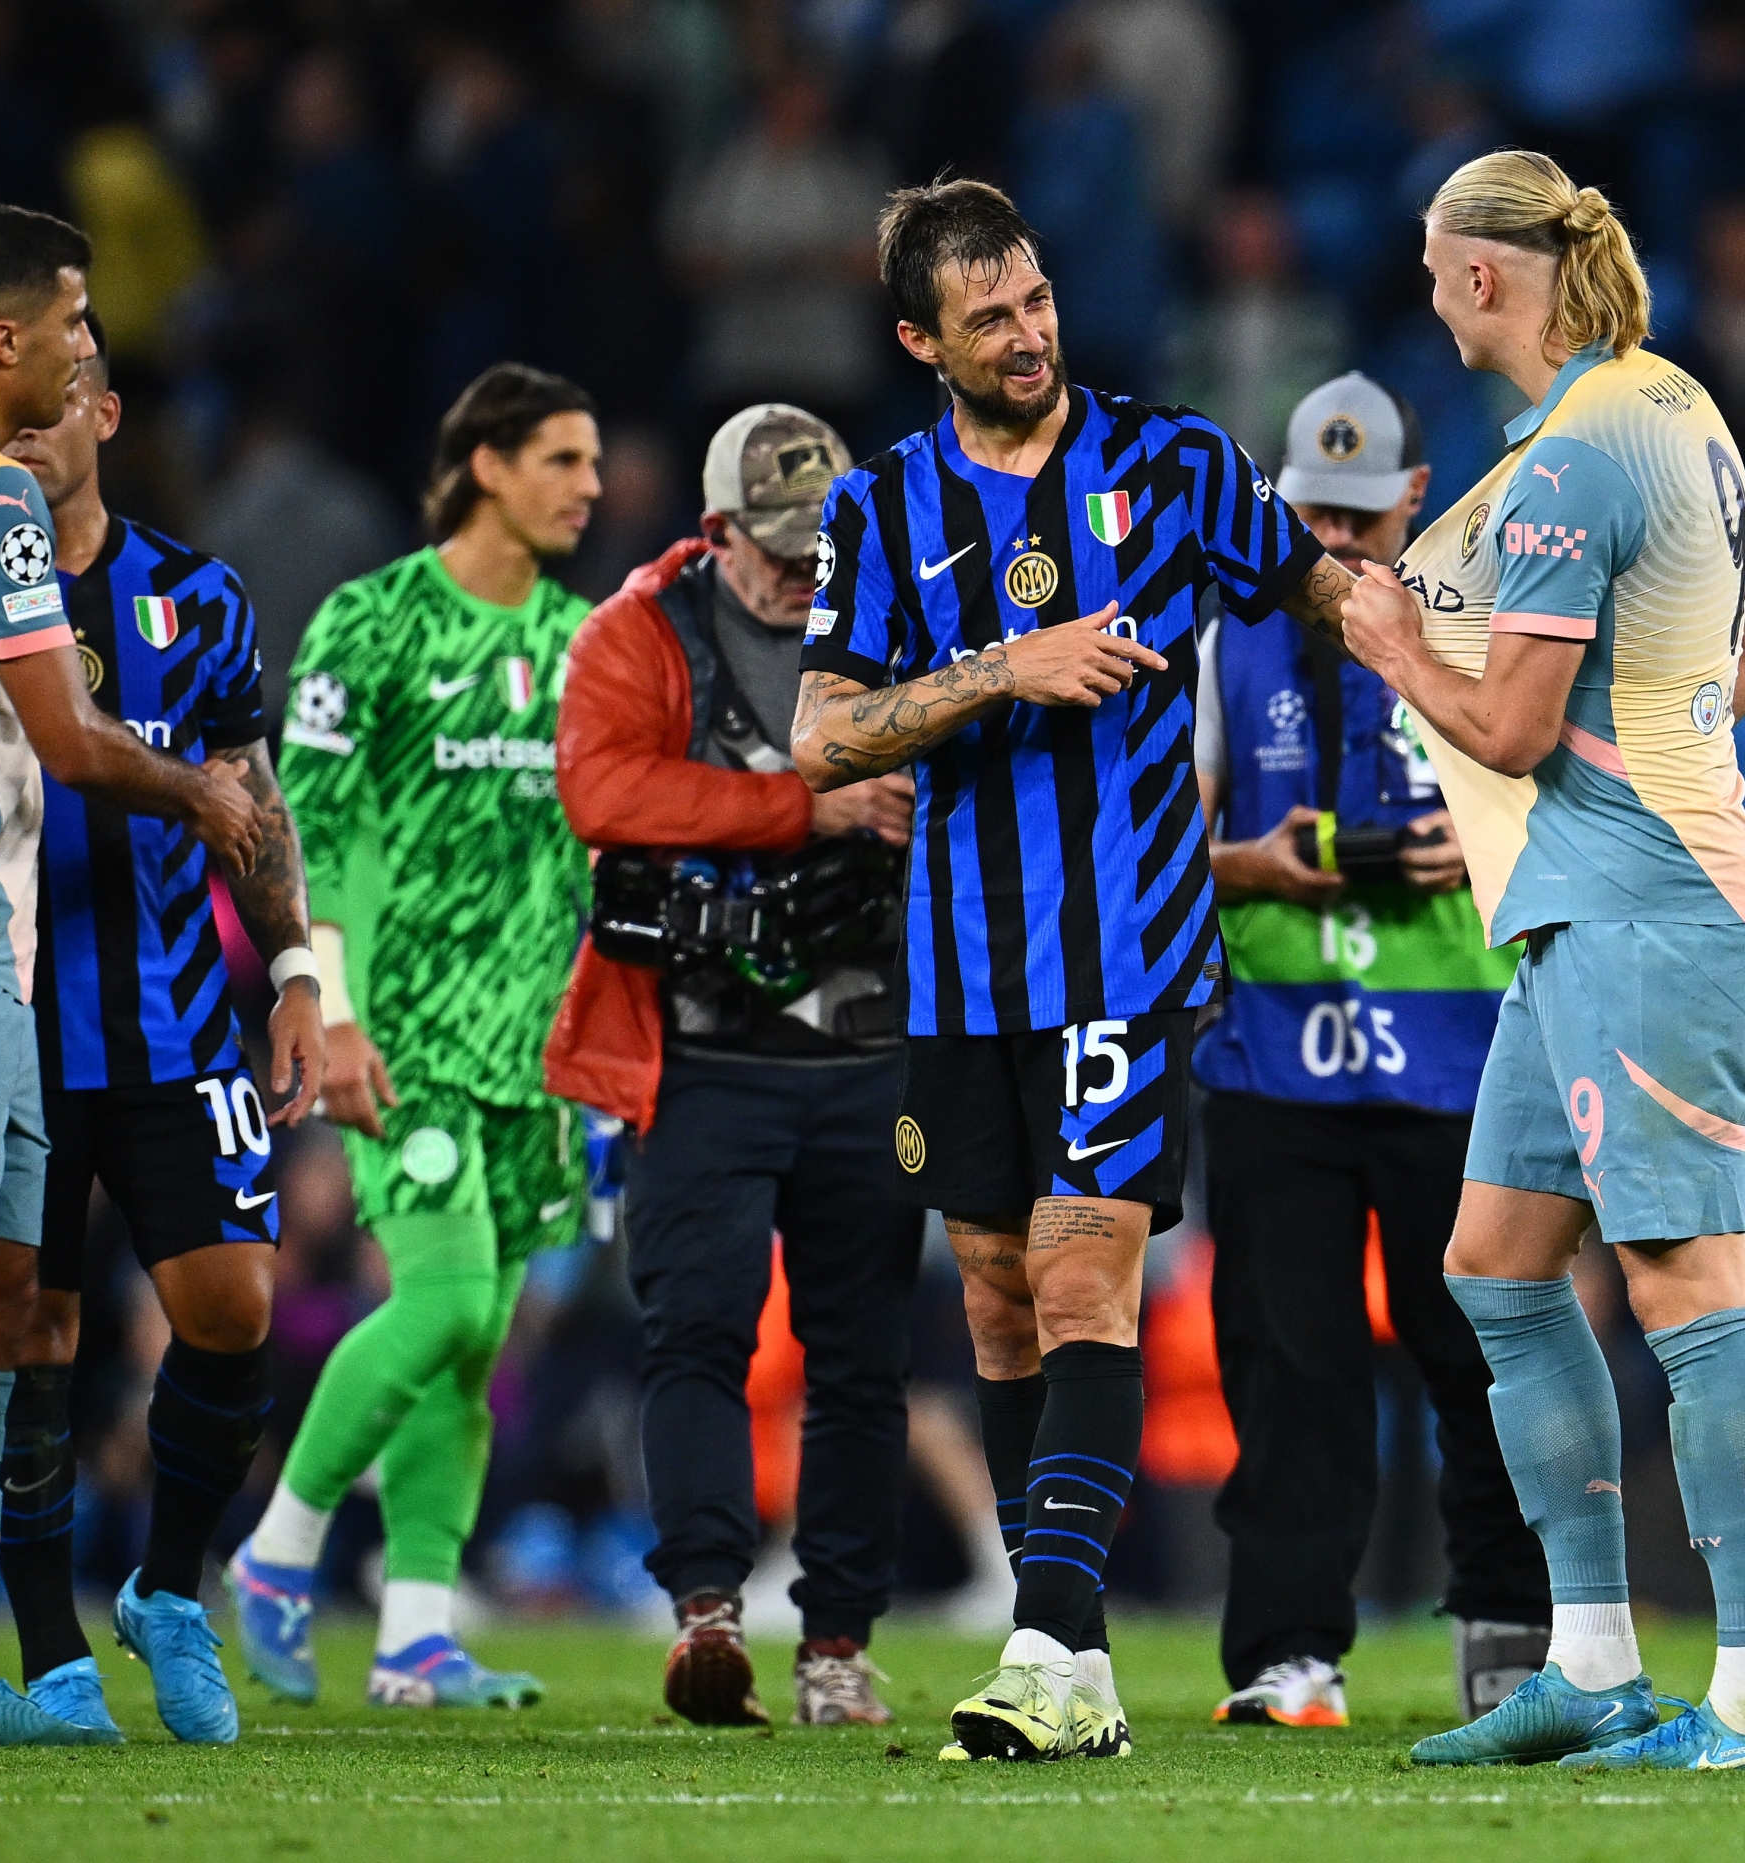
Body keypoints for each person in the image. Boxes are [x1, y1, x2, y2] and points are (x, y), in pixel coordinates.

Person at [790, 176, 1363, 1763]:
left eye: (1036, 300)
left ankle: (1041, 1641)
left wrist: (1456, 679)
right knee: (992, 1301)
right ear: (921, 339)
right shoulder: (878, 507)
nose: (1029, 333)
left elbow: (1313, 583)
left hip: (1130, 950)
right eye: (989, 317)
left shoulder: (1171, 463)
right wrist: (998, 673)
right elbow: (821, 738)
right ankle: (1085, 1666)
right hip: (962, 972)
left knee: (1080, 1263)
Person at [1338, 150, 1745, 1773]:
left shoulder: (1559, 473)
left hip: (1643, 911)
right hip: (1607, 900)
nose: (1423, 289)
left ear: (1482, 276)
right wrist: (1653, 762)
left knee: (1684, 1278)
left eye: (1429, 263)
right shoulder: (1673, 408)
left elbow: (1513, 728)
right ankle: (1594, 1663)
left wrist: (1398, 644)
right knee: (1493, 1266)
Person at [0, 316, 325, 1747]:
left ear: (106, 414)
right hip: (12, 1015)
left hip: (177, 1021)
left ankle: (168, 1588)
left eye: (64, 397)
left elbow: (251, 787)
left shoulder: (196, 592)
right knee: (24, 1326)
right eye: (18, 400)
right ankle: (50, 1654)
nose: (36, 421)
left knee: (234, 1307)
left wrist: (296, 966)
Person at [227, 363, 602, 1710]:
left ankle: (417, 1635)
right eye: (563, 459)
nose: (591, 485)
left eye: (595, 462)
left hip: (533, 1055)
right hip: (402, 1039)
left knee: (475, 1340)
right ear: (487, 465)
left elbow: (588, 842)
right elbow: (315, 831)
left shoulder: (579, 640)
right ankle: (277, 1554)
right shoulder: (371, 623)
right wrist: (327, 1006)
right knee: (439, 1305)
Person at [545, 404, 924, 1727]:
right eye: (775, 547)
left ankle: (836, 1645)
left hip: (872, 1050)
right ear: (714, 534)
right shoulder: (635, 637)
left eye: (822, 544)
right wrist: (804, 810)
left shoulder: (896, 618)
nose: (802, 569)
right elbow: (602, 795)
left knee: (860, 1357)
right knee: (695, 1332)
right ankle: (707, 1611)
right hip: (699, 1055)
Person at [1193, 371, 1549, 1729]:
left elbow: (1567, 806)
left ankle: (1508, 1630)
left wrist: (1484, 845)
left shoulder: (1484, 632)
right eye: (1313, 518)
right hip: (1276, 1056)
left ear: (1414, 499)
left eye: (1358, 517)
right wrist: (1256, 868)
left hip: (1459, 1059)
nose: (1335, 548)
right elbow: (1175, 836)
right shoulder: (1228, 635)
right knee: (1292, 1365)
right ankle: (1291, 1652)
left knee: (1481, 1350)